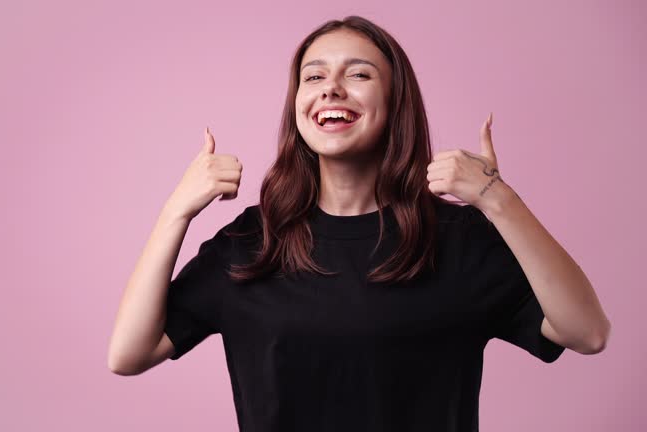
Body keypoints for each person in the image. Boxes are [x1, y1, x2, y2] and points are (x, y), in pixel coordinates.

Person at [107, 15, 611, 432]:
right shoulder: (249, 243)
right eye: (314, 76)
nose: (331, 89)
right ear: (298, 106)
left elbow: (587, 332)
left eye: (359, 75)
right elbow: (130, 353)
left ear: (395, 104)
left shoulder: (457, 239)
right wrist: (176, 210)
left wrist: (498, 199)